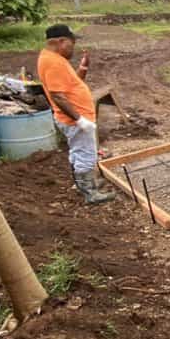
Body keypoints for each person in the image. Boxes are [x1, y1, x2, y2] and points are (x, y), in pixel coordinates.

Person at [37, 24, 114, 204]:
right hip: (74, 120)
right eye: (72, 43)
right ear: (60, 41)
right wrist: (80, 120)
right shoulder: (53, 62)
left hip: (75, 118)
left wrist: (83, 67)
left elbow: (73, 84)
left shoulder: (56, 59)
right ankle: (90, 193)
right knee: (86, 155)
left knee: (79, 152)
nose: (74, 47)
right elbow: (57, 95)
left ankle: (85, 184)